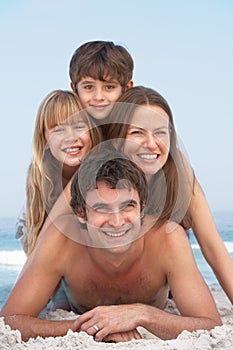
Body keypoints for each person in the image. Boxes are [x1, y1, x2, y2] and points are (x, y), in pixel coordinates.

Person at [0, 149, 221, 343]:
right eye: (102, 209)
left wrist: (142, 314)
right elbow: (9, 321)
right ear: (81, 213)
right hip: (72, 301)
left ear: (142, 206)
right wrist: (95, 327)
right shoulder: (62, 239)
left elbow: (211, 324)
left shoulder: (168, 237)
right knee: (58, 299)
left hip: (160, 296)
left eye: (128, 206)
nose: (117, 222)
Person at [105, 85, 233, 304]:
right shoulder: (98, 177)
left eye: (160, 132)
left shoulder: (179, 175)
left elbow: (212, 247)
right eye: (137, 132)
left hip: (157, 288)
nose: (151, 143)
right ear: (117, 139)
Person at [16, 90, 102, 254]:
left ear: (92, 132)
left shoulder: (108, 177)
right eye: (58, 130)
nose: (70, 137)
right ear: (45, 139)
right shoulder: (38, 185)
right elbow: (37, 256)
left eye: (78, 126)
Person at [69, 40, 134, 121]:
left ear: (127, 89)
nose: (98, 97)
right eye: (88, 87)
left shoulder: (141, 127)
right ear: (74, 89)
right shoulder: (65, 129)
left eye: (109, 87)